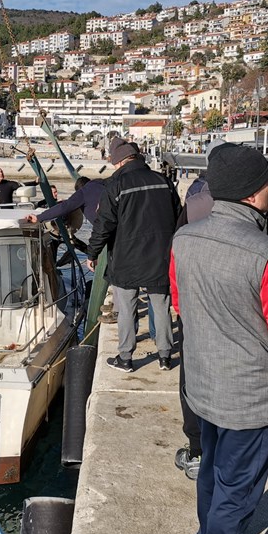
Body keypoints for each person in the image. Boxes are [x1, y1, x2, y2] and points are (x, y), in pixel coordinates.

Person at [172, 143, 268, 534]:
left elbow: (180, 303)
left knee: (212, 472)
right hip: (250, 396)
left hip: (203, 383)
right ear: (252, 194)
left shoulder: (184, 238)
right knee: (238, 487)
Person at [87, 136, 180, 372]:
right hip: (160, 255)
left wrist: (93, 252)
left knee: (126, 308)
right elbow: (179, 217)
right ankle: (165, 356)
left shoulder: (115, 186)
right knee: (161, 305)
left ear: (119, 162)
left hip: (126, 257)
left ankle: (126, 358)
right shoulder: (163, 181)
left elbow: (104, 224)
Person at [24, 175, 105, 228]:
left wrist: (39, 217)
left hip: (107, 228)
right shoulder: (105, 183)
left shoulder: (83, 193)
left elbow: (64, 207)